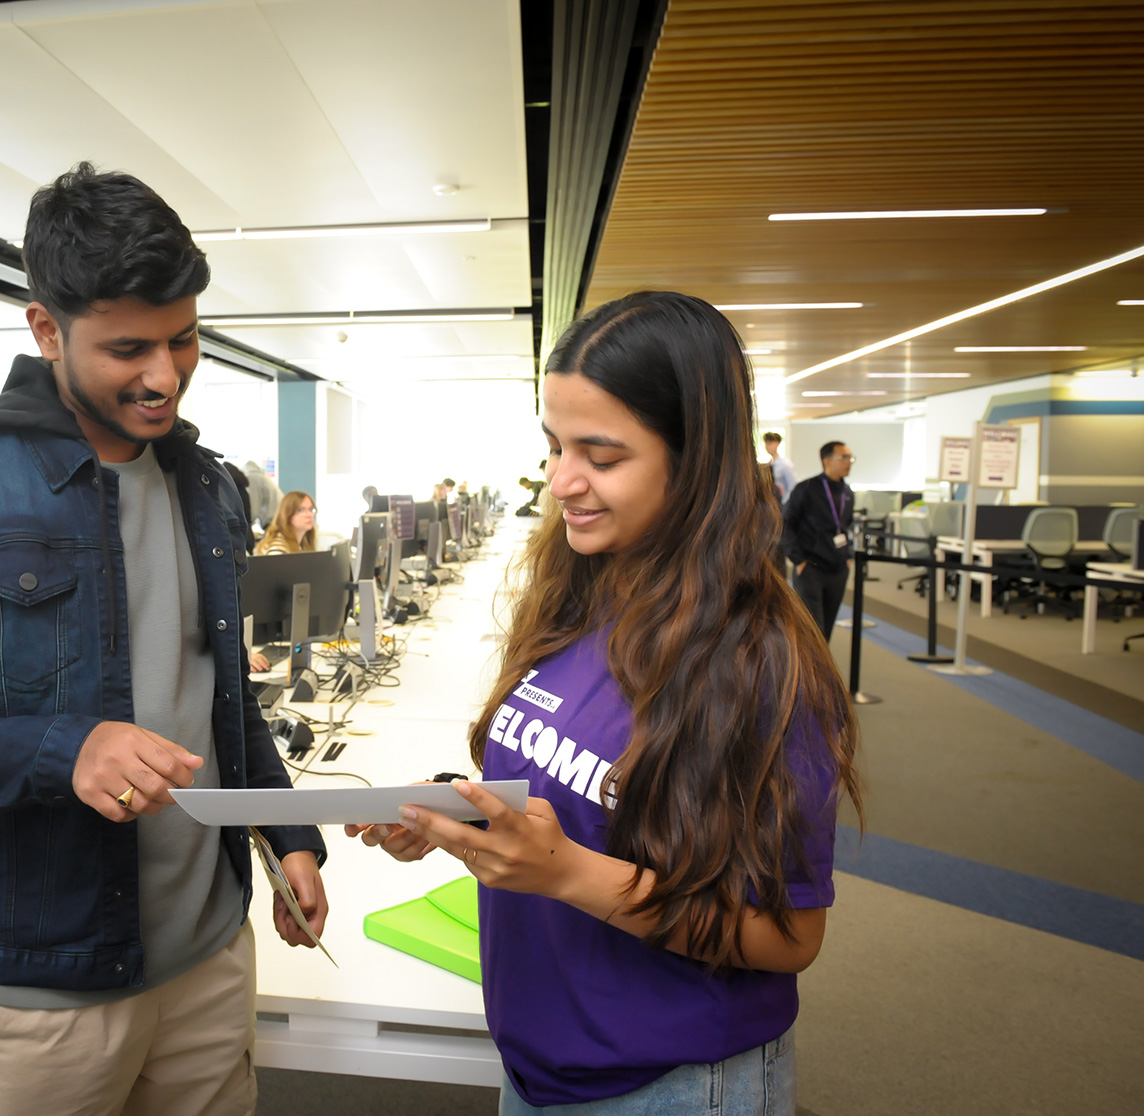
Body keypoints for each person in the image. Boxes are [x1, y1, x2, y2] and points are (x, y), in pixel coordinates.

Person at [0, 163, 328, 1116]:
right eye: (129, 348)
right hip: (36, 994)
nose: (165, 375)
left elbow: (221, 698)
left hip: (209, 957)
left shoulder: (208, 486)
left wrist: (287, 834)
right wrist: (63, 749)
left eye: (184, 338)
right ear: (46, 330)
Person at [346, 291, 860, 1114]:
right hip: (540, 1065)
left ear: (696, 463)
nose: (561, 482)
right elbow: (577, 793)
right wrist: (464, 814)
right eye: (554, 446)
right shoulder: (582, 593)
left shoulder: (761, 663)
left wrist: (568, 873)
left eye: (602, 455)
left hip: (671, 1084)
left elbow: (789, 936)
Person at [782, 441, 856, 641]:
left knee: (827, 630)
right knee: (812, 630)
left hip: (838, 569)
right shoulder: (806, 489)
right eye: (844, 457)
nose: (849, 462)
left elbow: (845, 528)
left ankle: (822, 664)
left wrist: (847, 558)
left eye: (851, 458)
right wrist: (798, 560)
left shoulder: (847, 493)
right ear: (827, 461)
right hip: (810, 568)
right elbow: (785, 524)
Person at [255, 490, 318, 555]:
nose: (309, 515)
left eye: (311, 509)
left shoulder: (303, 543)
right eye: (301, 510)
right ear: (287, 514)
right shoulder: (278, 546)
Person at [243, 460, 283, 529]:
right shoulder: (261, 476)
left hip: (274, 520)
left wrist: (247, 526)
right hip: (280, 517)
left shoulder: (251, 478)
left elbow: (254, 507)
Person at [763, 432, 798, 501]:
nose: (767, 447)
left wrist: (787, 503)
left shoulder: (785, 464)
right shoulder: (769, 464)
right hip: (771, 502)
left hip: (782, 502)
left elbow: (793, 486)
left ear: (777, 444)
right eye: (766, 443)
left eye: (769, 443)